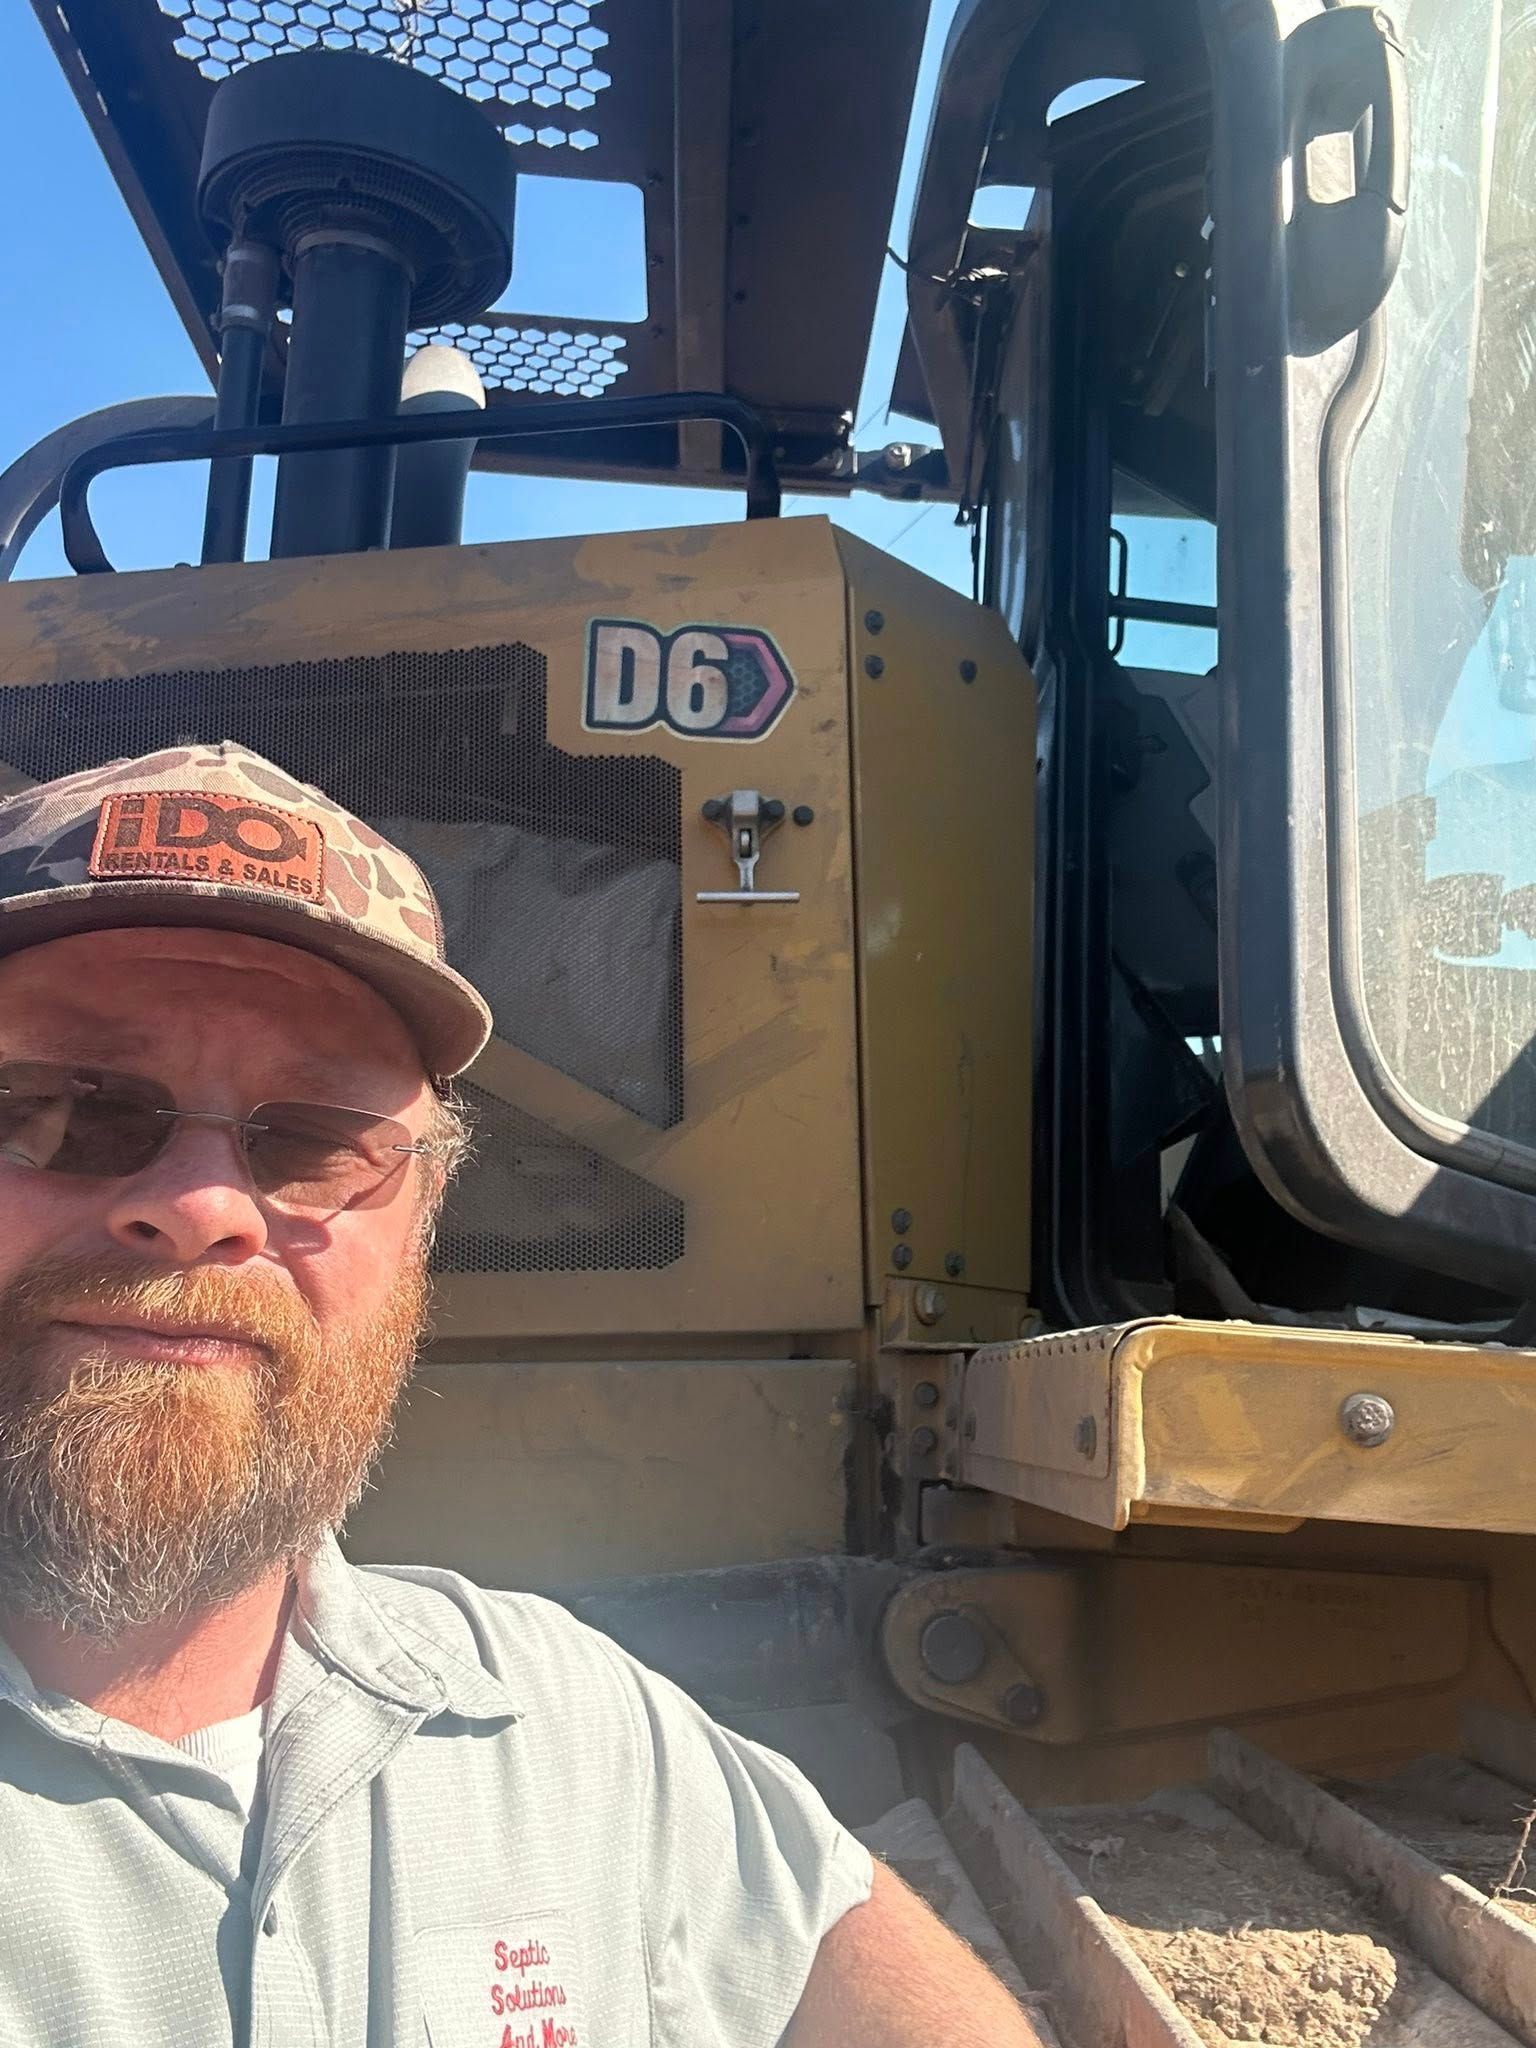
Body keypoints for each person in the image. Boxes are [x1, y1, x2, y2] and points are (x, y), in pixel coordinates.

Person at [0, 742, 1044, 2048]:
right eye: (59, 1112)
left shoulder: (571, 1726)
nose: (205, 1208)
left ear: (422, 1231)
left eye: (313, 1141)